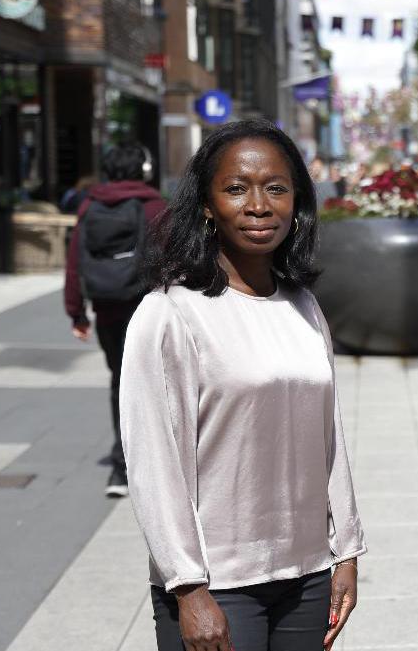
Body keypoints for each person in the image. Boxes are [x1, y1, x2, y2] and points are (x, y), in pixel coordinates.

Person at [119, 120, 366, 651]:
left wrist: (344, 549)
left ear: (296, 200)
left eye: (276, 188)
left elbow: (330, 437)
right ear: (206, 204)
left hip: (306, 572)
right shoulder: (169, 313)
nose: (258, 204)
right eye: (236, 188)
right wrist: (187, 587)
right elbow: (153, 461)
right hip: (218, 582)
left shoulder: (302, 304)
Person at [63, 143, 165, 497]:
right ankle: (154, 461)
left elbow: (75, 260)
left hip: (106, 309)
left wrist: (76, 311)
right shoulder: (154, 205)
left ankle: (121, 469)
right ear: (145, 169)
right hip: (147, 309)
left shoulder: (89, 204)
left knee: (120, 382)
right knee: (154, 384)